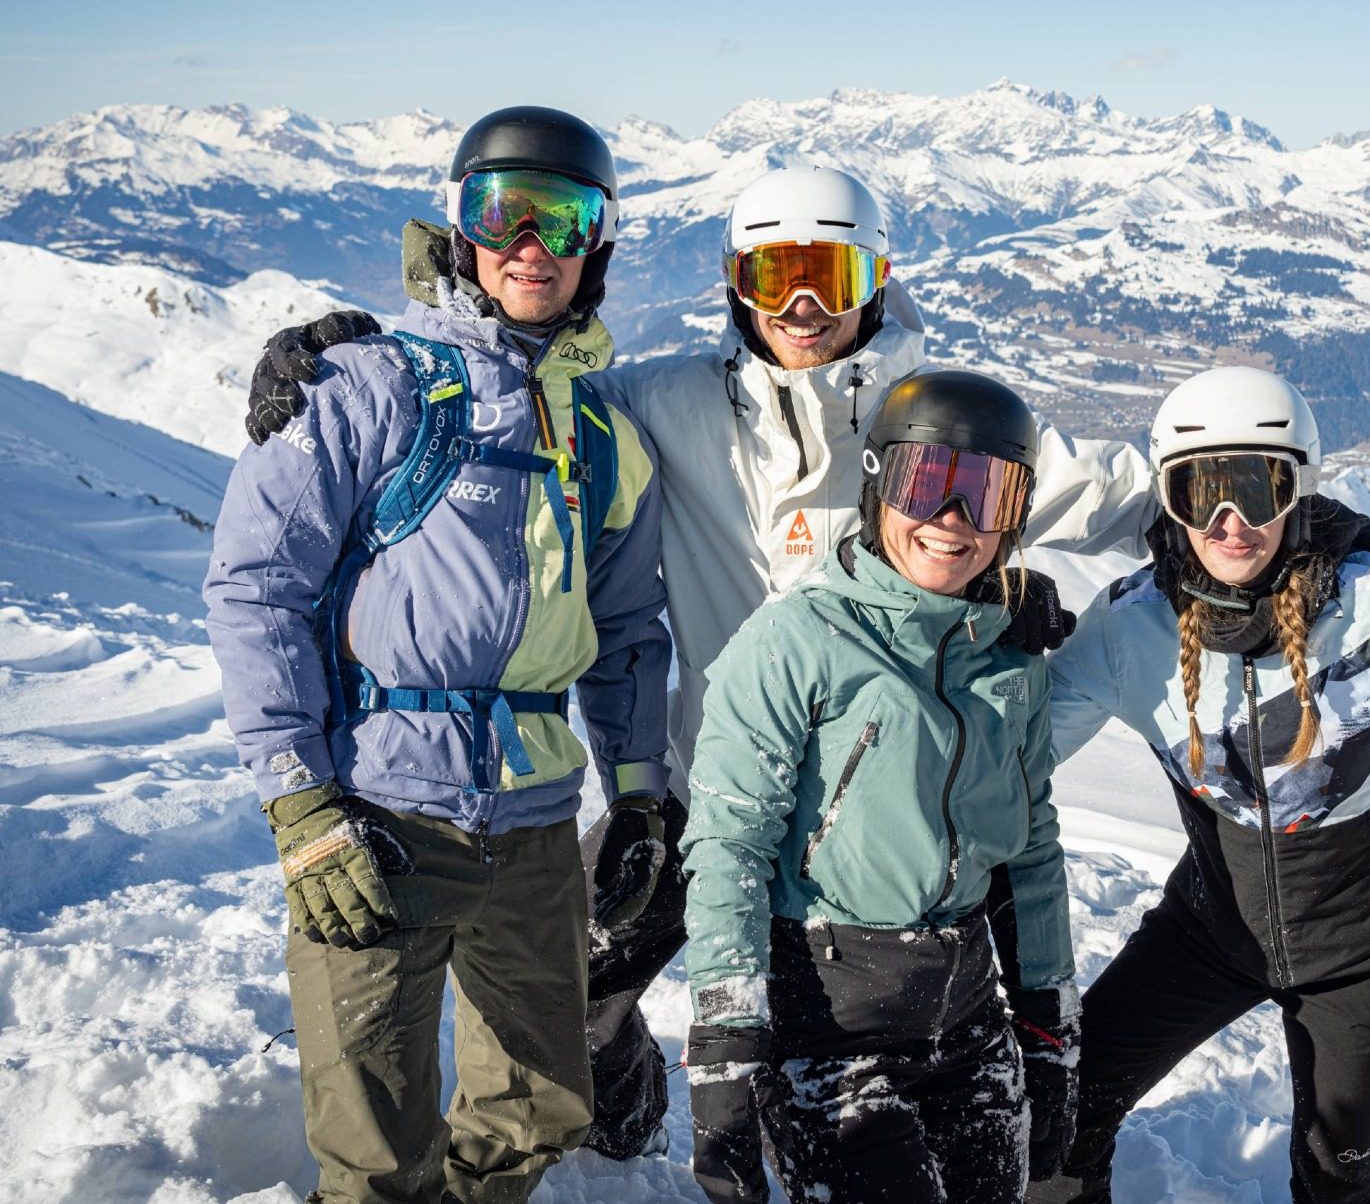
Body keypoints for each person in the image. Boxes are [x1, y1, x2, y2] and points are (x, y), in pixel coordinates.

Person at [242, 163, 1155, 1157]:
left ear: (876, 280)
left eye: (830, 276)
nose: (803, 308)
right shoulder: (662, 401)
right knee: (573, 983)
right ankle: (622, 1117)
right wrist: (353, 361)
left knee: (909, 1025)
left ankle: (970, 1146)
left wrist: (1281, 513)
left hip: (887, 814)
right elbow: (511, 397)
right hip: (705, 791)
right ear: (734, 283)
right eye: (775, 278)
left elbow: (1130, 496)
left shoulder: (928, 423)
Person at [206, 106, 674, 1204]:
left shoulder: (600, 439)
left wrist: (643, 794)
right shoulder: (373, 389)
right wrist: (302, 808)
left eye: (562, 219)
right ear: (458, 228)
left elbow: (627, 638)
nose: (529, 244)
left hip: (534, 819)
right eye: (499, 211)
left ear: (595, 243)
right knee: (373, 1141)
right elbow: (256, 587)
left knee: (540, 1099)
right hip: (381, 811)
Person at [1028, 368, 1370, 1204]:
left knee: (1341, 1174)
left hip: (1363, 949)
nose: (1230, 523)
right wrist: (988, 647)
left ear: (1298, 487)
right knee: (1064, 1115)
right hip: (1210, 932)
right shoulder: (1130, 628)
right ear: (1168, 499)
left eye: (1257, 490)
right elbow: (1008, 760)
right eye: (1201, 493)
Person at [679, 370, 1079, 1204]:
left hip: (968, 1015)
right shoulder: (797, 641)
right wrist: (725, 1039)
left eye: (987, 494)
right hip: (831, 1018)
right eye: (926, 482)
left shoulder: (1010, 654)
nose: (952, 521)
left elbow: (1031, 847)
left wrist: (1049, 1021)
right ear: (876, 483)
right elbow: (729, 845)